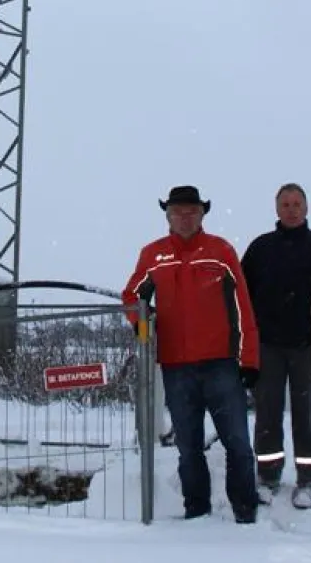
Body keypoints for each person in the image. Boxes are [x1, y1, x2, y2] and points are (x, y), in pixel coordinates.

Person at [122, 185, 260, 523]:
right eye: (178, 212)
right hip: (175, 366)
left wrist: (249, 359)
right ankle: (196, 513)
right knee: (188, 448)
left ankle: (245, 512)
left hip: (221, 365)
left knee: (238, 444)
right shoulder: (153, 255)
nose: (185, 218)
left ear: (202, 214)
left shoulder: (220, 251)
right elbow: (132, 297)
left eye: (192, 211)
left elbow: (242, 307)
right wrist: (143, 319)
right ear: (167, 215)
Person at [241, 183, 311, 509]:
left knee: (307, 415)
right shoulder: (260, 249)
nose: (291, 209)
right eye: (285, 204)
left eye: (297, 203)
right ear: (276, 209)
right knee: (266, 413)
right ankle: (267, 476)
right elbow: (241, 297)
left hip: (310, 346)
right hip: (268, 346)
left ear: (306, 208)